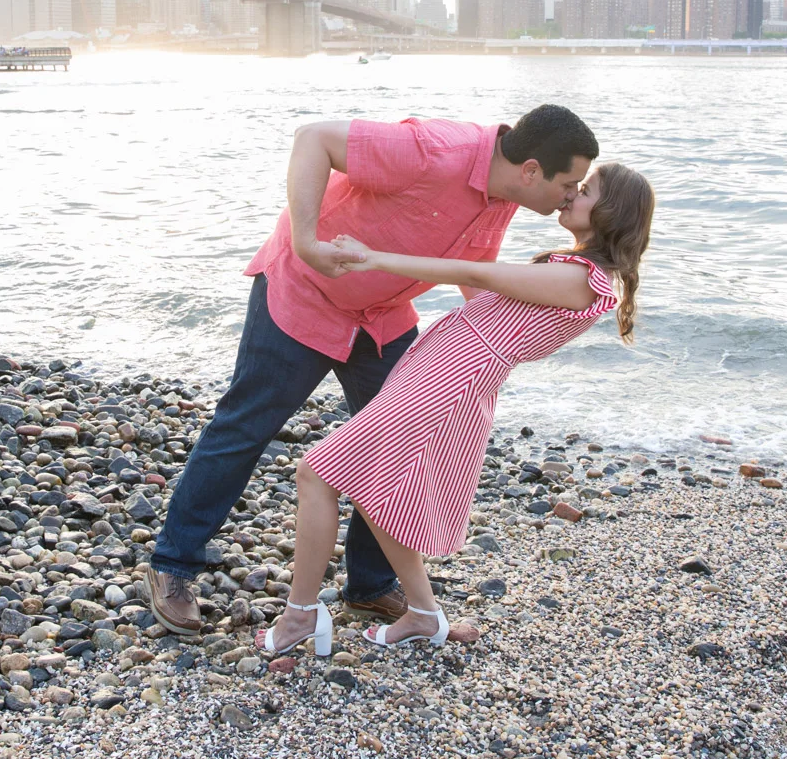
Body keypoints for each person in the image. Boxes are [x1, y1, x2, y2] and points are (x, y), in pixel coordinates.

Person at [148, 106, 600, 635]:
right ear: (531, 170)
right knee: (244, 426)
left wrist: (490, 354)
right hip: (302, 296)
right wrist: (306, 242)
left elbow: (477, 276)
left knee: (392, 451)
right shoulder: (435, 151)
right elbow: (313, 138)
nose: (570, 195)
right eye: (568, 184)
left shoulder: (504, 197)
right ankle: (173, 565)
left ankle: (370, 585)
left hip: (381, 317)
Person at [256, 163, 655, 656]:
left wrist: (372, 258)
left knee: (317, 472)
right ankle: (423, 614)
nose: (571, 194)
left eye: (585, 190)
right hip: (445, 372)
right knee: (373, 490)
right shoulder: (575, 272)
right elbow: (486, 297)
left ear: (610, 211)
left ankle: (301, 616)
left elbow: (473, 273)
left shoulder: (581, 279)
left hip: (450, 382)